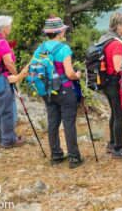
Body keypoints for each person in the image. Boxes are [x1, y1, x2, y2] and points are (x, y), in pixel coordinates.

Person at [34, 15, 84, 168]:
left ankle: (56, 155)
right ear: (59, 32)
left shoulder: (40, 48)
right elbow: (69, 73)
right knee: (68, 122)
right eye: (62, 30)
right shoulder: (64, 48)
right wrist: (78, 75)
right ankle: (74, 157)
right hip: (64, 89)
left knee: (53, 121)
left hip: (47, 90)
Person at [98, 12, 122, 158]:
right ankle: (118, 148)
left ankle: (112, 143)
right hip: (114, 82)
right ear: (119, 26)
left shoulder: (105, 39)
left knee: (114, 112)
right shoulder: (116, 43)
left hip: (106, 81)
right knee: (119, 114)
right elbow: (119, 66)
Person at [0, 16, 24, 149]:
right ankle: (9, 141)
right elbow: (9, 63)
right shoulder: (2, 42)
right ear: (4, 28)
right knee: (7, 112)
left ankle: (3, 138)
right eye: (9, 26)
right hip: (1, 81)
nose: (10, 28)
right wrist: (16, 75)